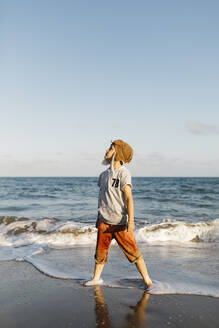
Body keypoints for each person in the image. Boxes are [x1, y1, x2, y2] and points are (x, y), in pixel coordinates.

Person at [85, 139, 152, 288]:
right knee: (100, 253)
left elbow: (129, 198)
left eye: (110, 148)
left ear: (118, 153)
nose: (106, 150)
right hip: (104, 221)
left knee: (134, 253)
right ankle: (96, 278)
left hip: (121, 223)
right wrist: (98, 218)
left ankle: (148, 280)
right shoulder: (103, 175)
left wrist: (131, 222)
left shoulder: (124, 173)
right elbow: (101, 198)